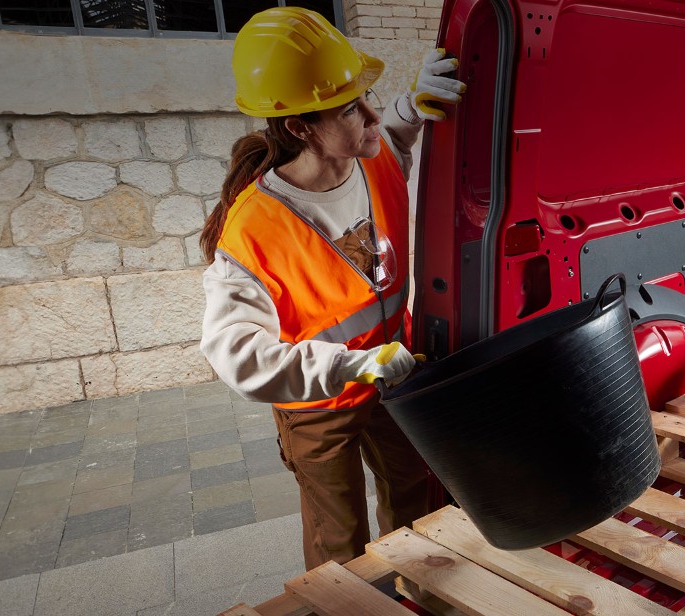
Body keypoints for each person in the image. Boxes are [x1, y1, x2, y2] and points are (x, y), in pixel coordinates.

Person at [198, 7, 464, 569]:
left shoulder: (373, 160)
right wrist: (350, 365)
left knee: (419, 506)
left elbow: (388, 134)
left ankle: (417, 599)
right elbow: (235, 355)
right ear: (300, 128)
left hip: (395, 375)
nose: (370, 116)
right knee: (338, 541)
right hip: (318, 402)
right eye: (350, 108)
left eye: (368, 98)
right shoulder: (255, 227)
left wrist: (412, 105)